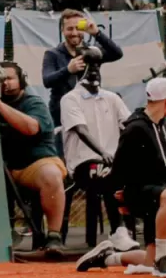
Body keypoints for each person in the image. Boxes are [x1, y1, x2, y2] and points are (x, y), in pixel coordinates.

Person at [79, 77, 166, 277]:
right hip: (137, 193)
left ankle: (106, 257)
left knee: (148, 261)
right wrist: (117, 196)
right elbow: (119, 167)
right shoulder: (135, 128)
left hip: (156, 194)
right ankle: (163, 260)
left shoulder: (163, 126)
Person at [0, 61, 69, 257]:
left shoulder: (33, 102)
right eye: (0, 79)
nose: (5, 83)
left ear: (21, 80)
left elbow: (31, 128)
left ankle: (54, 236)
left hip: (33, 164)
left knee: (51, 175)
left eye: (9, 78)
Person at [59, 56, 139, 253]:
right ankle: (118, 231)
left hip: (112, 163)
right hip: (82, 165)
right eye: (89, 67)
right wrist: (102, 152)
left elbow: (129, 126)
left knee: (145, 169)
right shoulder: (70, 99)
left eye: (97, 66)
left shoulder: (111, 98)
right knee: (107, 171)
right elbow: (81, 130)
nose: (94, 71)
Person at [41, 8, 123, 126]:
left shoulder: (92, 51)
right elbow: (47, 80)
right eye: (69, 29)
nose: (74, 33)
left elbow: (117, 54)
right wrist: (68, 70)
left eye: (78, 28)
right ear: (62, 30)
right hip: (62, 115)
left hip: (91, 111)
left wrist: (96, 33)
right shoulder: (52, 54)